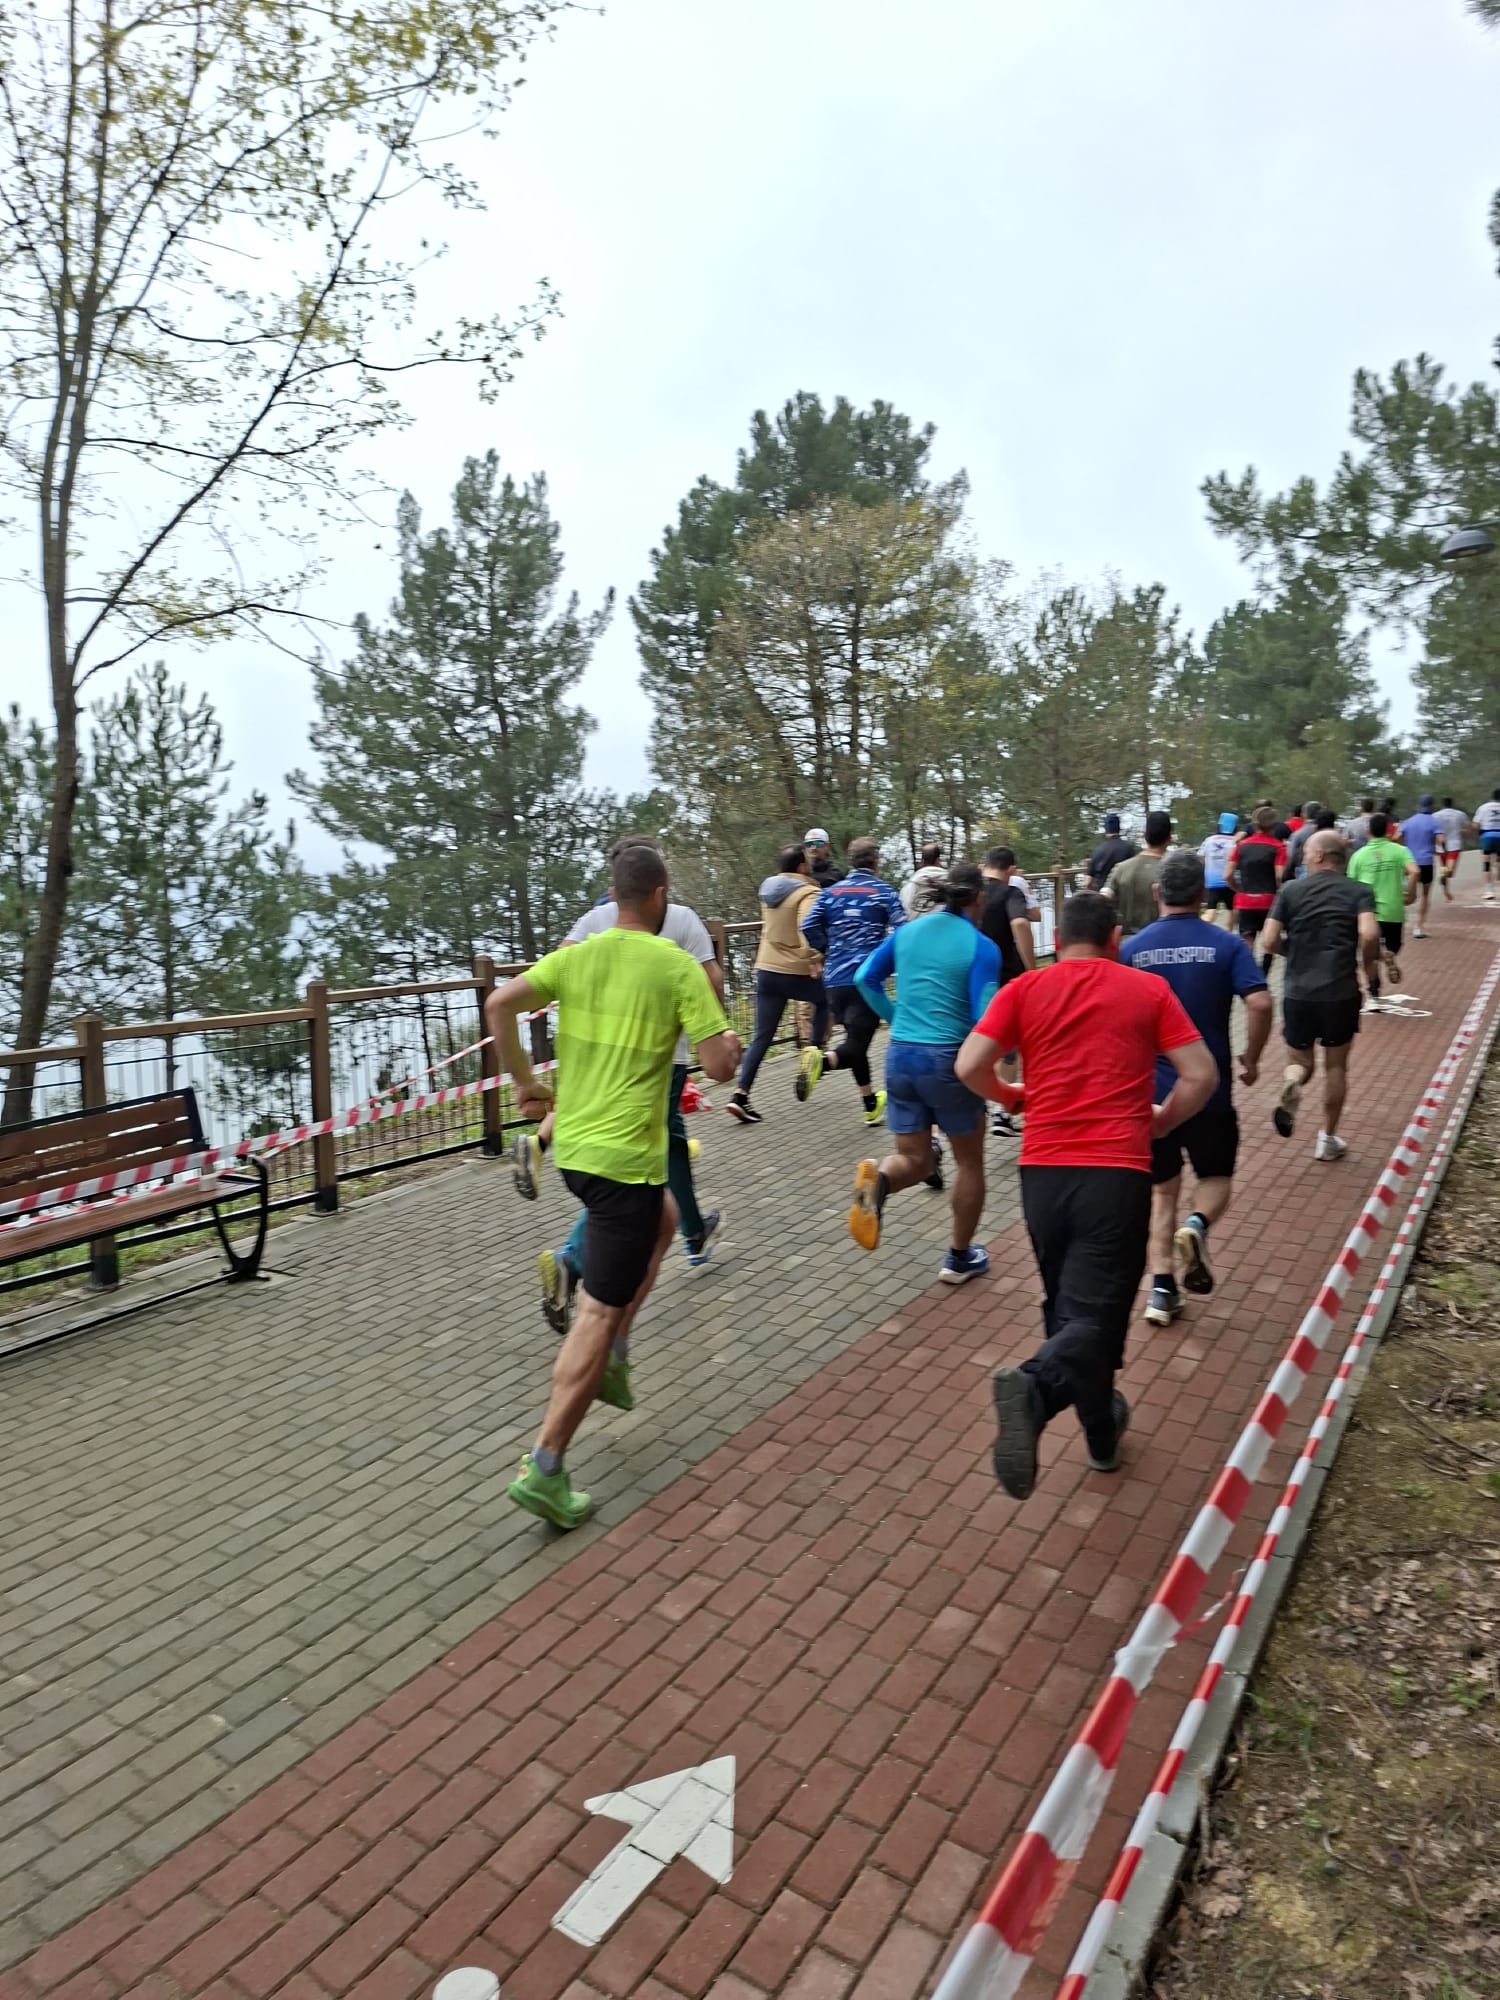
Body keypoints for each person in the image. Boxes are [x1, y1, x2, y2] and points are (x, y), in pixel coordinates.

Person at [485, 844, 741, 1529]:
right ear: (660, 897)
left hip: (573, 1150)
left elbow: (499, 1002)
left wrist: (524, 1084)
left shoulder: (581, 954)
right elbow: (717, 1068)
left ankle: (617, 1358)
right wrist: (733, 1046)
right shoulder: (676, 965)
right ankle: (545, 1464)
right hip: (623, 1162)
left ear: (615, 895)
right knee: (595, 1310)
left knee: (663, 1223)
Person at [956, 892, 1217, 1499]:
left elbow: (970, 1065)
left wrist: (1016, 1097)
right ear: (1115, 937)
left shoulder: (1023, 990)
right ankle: (1035, 1386)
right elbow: (1201, 1073)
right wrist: (1161, 1121)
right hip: (1115, 1171)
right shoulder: (1145, 990)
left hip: (1041, 1174)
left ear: (1057, 935)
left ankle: (1102, 1434)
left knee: (1071, 1311)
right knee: (1095, 1317)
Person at [1121, 851, 1272, 1327]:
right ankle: (1198, 1226)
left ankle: (1161, 1291)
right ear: (1203, 895)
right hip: (1209, 1091)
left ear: (1156, 893)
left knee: (1162, 1192)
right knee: (1215, 1179)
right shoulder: (1227, 946)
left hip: (1152, 1096)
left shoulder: (1130, 951)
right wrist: (1252, 1057)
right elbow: (1262, 1002)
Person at [848, 863, 1002, 1283]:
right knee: (969, 1162)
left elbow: (865, 977)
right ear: (977, 898)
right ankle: (958, 1257)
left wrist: (895, 1018)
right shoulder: (981, 946)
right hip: (948, 1060)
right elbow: (984, 1018)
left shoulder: (908, 932)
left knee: (914, 1160)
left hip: (900, 1057)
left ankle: (877, 1182)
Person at [1261, 832, 1380, 1162]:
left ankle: (1292, 1081)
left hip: (1298, 992)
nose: (1300, 857)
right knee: (1336, 1066)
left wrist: (1294, 953)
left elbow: (1268, 940)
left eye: (1304, 852)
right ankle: (1327, 1140)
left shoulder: (1290, 890)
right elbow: (1369, 932)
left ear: (1318, 857)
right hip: (1340, 991)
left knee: (1301, 1062)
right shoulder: (1359, 891)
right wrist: (1367, 963)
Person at [798, 837, 906, 1126]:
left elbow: (807, 925)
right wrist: (887, 959)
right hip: (866, 980)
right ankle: (822, 1062)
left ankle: (870, 1103)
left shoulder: (830, 893)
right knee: (856, 1045)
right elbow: (903, 931)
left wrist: (828, 949)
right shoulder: (884, 892)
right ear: (875, 861)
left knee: (856, 1041)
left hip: (834, 980)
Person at [726, 846, 826, 1125]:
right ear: (802, 868)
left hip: (766, 969)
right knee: (825, 998)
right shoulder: (807, 893)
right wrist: (815, 957)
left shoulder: (769, 892)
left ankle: (740, 1094)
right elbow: (809, 927)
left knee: (761, 1036)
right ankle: (814, 1055)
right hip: (795, 970)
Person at [979, 846, 1036, 1138]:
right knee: (1011, 1046)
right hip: (1006, 979)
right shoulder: (1009, 892)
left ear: (983, 865)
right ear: (1011, 870)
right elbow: (1021, 922)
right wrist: (1031, 966)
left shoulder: (970, 894)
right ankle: (1003, 1111)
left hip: (971, 981)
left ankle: (979, 1101)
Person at [1348, 812, 1418, 990]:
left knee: (1368, 955)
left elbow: (1351, 886)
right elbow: (1415, 871)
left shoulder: (1358, 856)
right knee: (1395, 945)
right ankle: (1388, 954)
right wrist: (1410, 894)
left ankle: (1373, 993)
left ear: (1367, 831)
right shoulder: (1400, 851)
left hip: (1367, 912)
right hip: (1393, 909)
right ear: (1388, 831)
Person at [1229, 806, 1287, 968]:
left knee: (1247, 941)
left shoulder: (1241, 846)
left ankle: (1249, 977)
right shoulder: (1278, 847)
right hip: (1269, 901)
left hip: (1245, 900)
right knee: (1269, 941)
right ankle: (1264, 974)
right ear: (1274, 826)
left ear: (1254, 825)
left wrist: (1238, 889)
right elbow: (1279, 875)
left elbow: (1227, 874)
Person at [1104, 810, 1172, 940]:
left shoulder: (1120, 869)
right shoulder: (1173, 871)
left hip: (1125, 943)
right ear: (1169, 838)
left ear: (1144, 836)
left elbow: (1104, 899)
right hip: (1161, 941)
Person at [1398, 794, 1443, 937]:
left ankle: (1400, 922)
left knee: (1405, 894)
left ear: (1419, 805)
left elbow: (1396, 837)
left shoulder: (1408, 821)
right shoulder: (1434, 822)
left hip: (1409, 863)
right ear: (1432, 806)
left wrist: (1402, 848)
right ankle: (1418, 927)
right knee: (1425, 895)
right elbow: (1441, 840)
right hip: (1426, 862)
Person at [1199, 812, 1240, 926]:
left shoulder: (1209, 840)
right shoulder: (1235, 842)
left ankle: (1201, 927)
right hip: (1229, 881)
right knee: (1230, 910)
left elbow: (1200, 858)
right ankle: (1228, 935)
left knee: (1210, 910)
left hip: (1212, 881)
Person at [1086, 812, 1137, 890]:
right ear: (1119, 828)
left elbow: (1087, 882)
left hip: (1102, 896)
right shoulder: (1128, 848)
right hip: (1123, 896)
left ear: (1106, 829)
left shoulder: (1097, 850)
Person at [900, 842, 949, 917]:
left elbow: (904, 912)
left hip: (916, 927)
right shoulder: (952, 884)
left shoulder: (908, 888)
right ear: (938, 861)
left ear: (922, 861)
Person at [1436, 797, 1471, 902]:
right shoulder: (1460, 814)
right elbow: (1467, 828)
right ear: (1452, 804)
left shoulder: (1435, 815)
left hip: (1440, 846)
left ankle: (1446, 894)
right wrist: (1463, 832)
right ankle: (1445, 877)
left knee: (1444, 869)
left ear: (1442, 805)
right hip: (1454, 845)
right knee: (1450, 871)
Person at [1471, 790, 1500, 902]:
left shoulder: (1483, 807)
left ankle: (1489, 890)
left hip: (1487, 835)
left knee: (1486, 863)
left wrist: (1477, 831)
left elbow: (1475, 825)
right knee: (1498, 860)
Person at [1283, 803, 1324, 880]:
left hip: (1303, 870)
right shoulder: (1329, 834)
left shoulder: (1298, 834)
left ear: (1304, 815)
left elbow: (1291, 855)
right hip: (1324, 870)